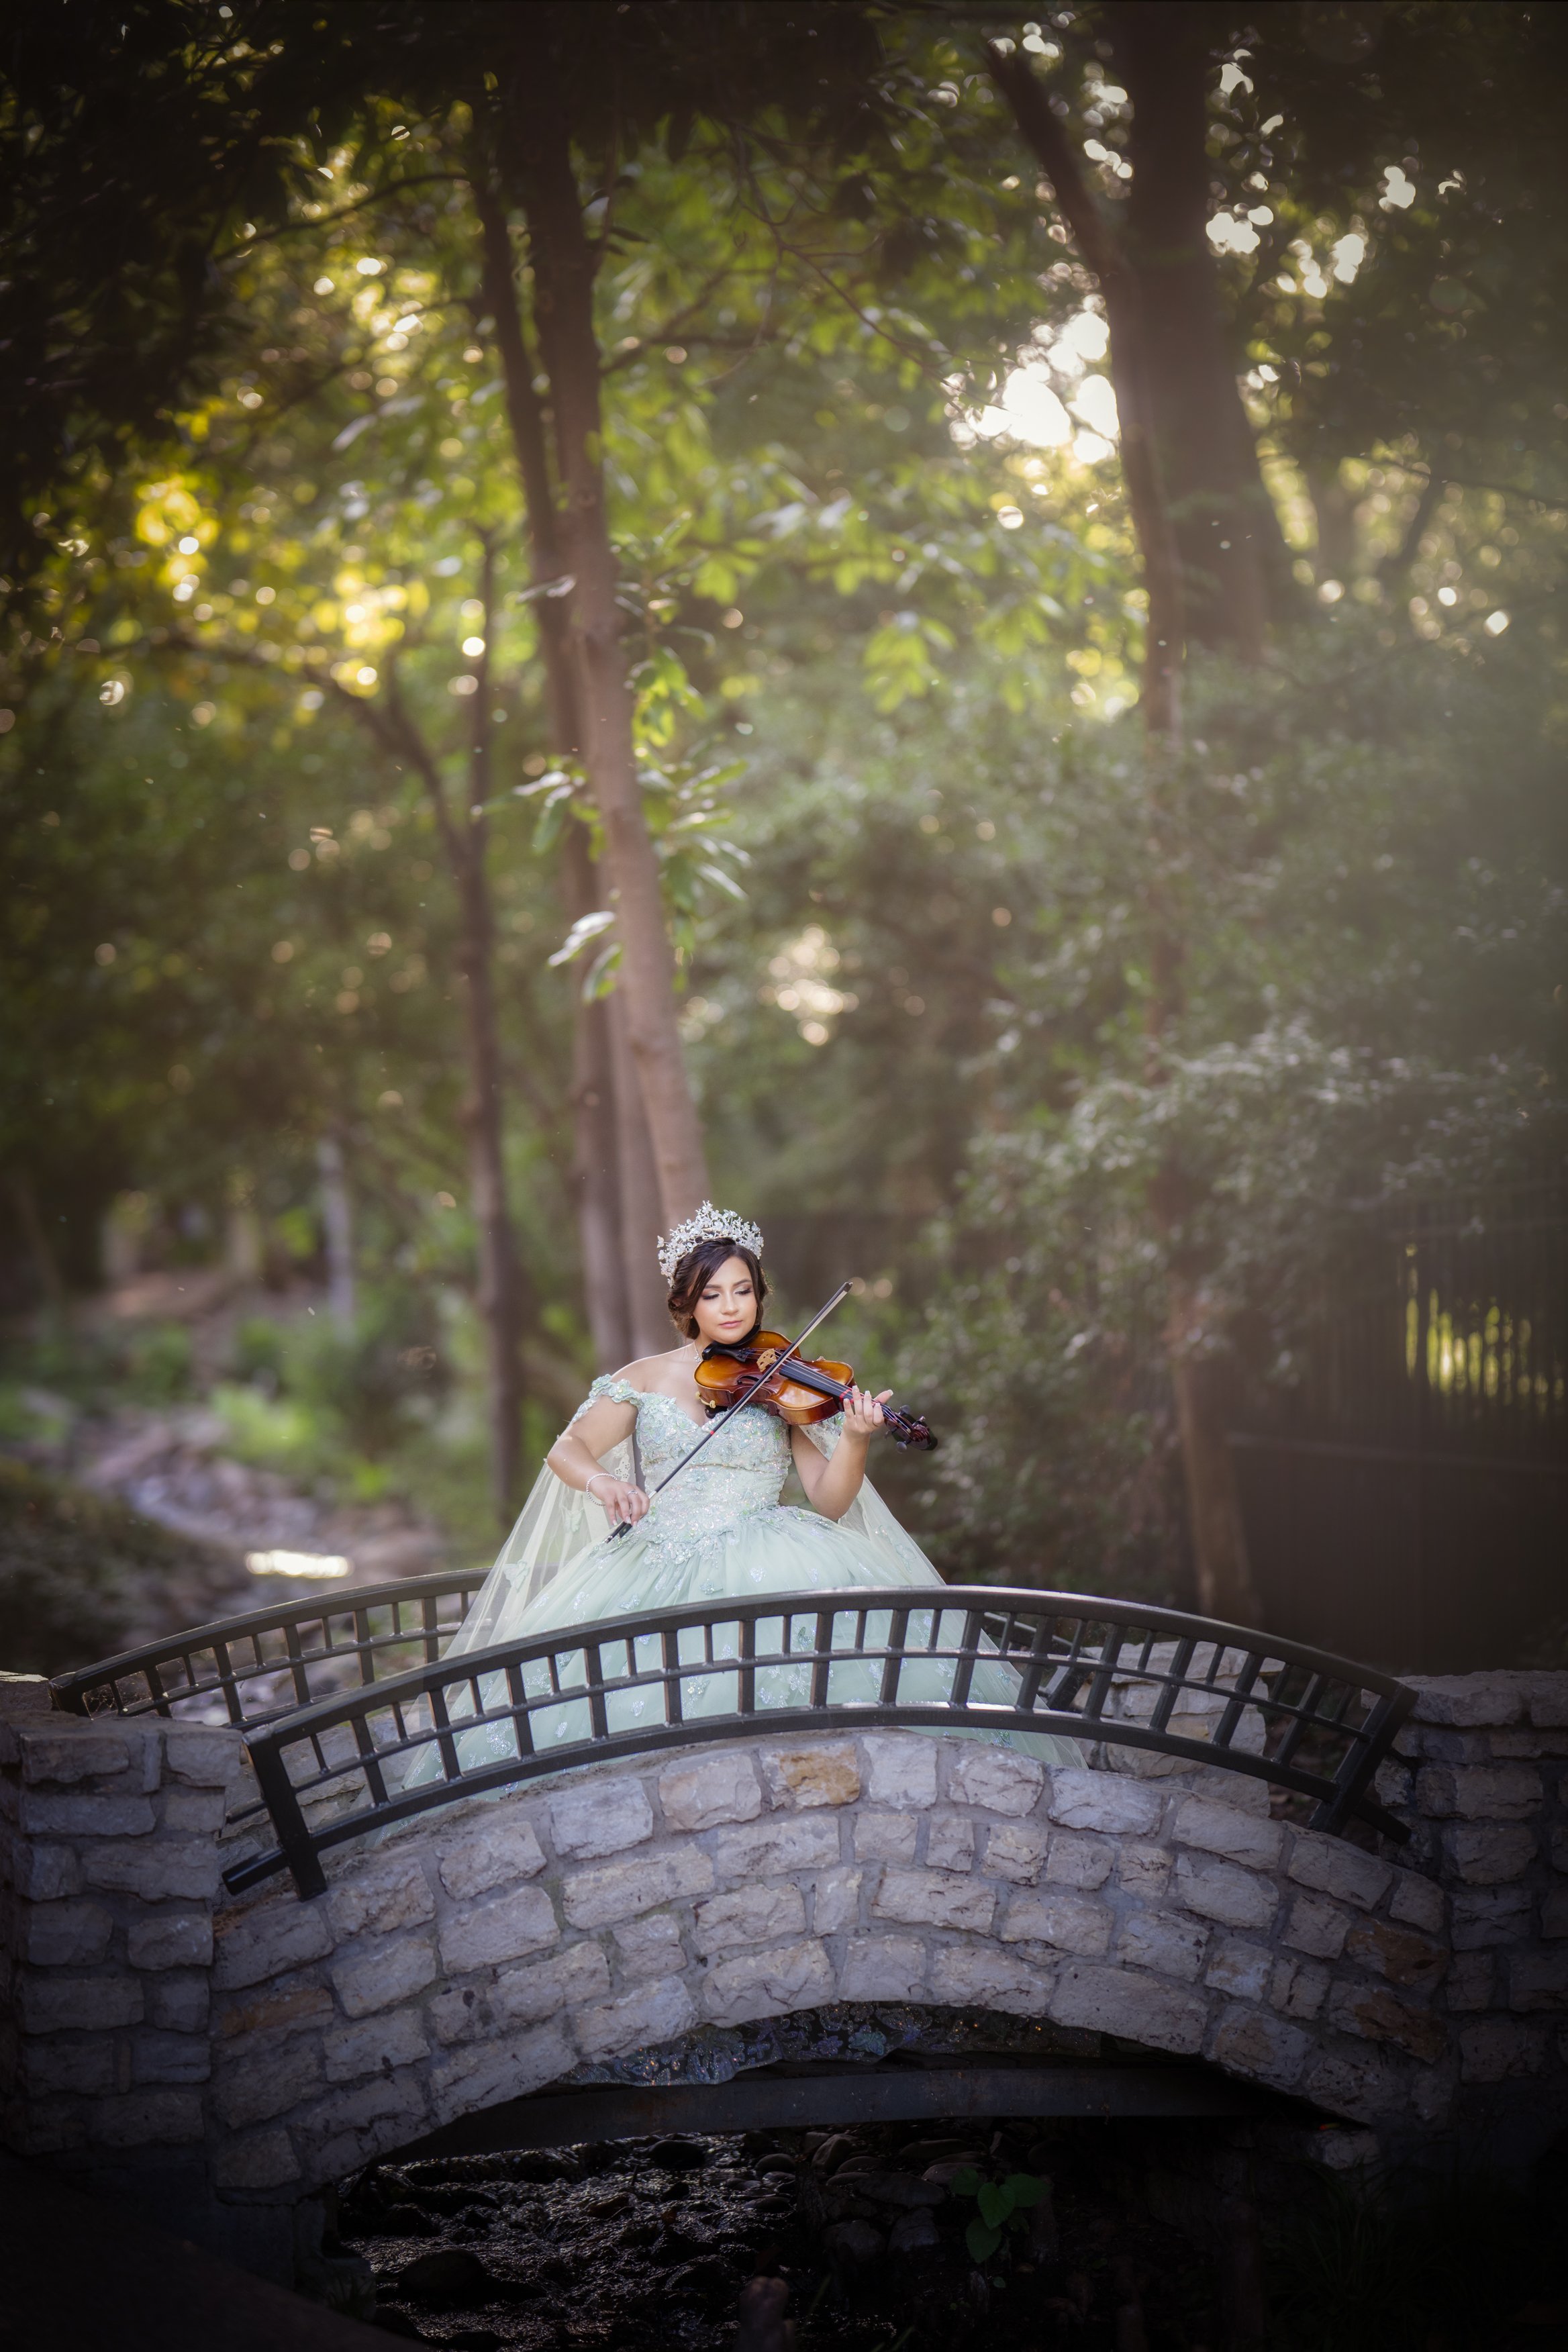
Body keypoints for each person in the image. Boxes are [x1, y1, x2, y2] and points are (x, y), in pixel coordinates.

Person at [422, 1206, 1081, 1773]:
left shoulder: (779, 1381)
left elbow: (828, 1501)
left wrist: (852, 1438)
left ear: (758, 1296)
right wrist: (603, 1483)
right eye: (713, 1294)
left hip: (773, 1551)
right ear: (686, 1304)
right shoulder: (643, 1378)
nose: (731, 1307)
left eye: (742, 1291)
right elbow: (565, 1449)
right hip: (657, 1558)